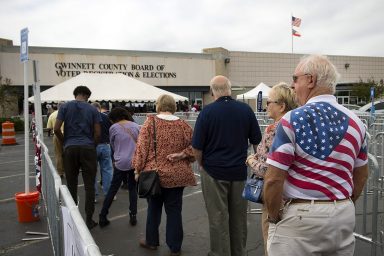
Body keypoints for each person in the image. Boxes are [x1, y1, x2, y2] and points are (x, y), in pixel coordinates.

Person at [264, 55, 369, 256]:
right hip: (343, 213)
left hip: (301, 216)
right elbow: (362, 174)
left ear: (310, 80)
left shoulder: (291, 120)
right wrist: (343, 203)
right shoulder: (357, 122)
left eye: (295, 79)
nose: (293, 86)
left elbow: (273, 179)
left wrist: (274, 214)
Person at [192, 75, 262, 256]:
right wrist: (258, 167)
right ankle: (239, 252)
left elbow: (197, 147)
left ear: (212, 90)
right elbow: (257, 142)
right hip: (239, 171)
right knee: (239, 219)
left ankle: (220, 253)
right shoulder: (245, 110)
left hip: (213, 172)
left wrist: (201, 164)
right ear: (229, 89)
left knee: (218, 218)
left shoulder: (206, 113)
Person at [132, 94, 196, 256]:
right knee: (174, 210)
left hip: (155, 174)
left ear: (158, 106)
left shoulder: (150, 123)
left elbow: (141, 149)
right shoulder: (184, 125)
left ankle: (151, 241)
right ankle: (175, 247)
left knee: (153, 208)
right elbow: (195, 148)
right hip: (178, 174)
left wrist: (137, 169)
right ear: (173, 107)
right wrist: (182, 154)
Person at [245, 82, 297, 256]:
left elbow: (268, 170)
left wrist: (250, 160)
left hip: (275, 194)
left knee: (271, 242)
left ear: (281, 106)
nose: (266, 105)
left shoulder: (275, 129)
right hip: (296, 196)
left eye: (269, 102)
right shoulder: (298, 125)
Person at [54, 86, 101, 230]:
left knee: (72, 184)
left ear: (75, 94)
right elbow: (98, 133)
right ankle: (89, 219)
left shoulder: (64, 107)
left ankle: (73, 218)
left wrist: (65, 142)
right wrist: (91, 145)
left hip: (70, 148)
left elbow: (56, 129)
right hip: (88, 148)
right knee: (89, 185)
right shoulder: (93, 109)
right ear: (86, 95)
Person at [99, 107, 140, 227]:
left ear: (114, 118)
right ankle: (133, 215)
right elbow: (140, 144)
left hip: (120, 162)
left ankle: (103, 215)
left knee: (113, 189)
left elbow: (112, 144)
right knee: (133, 189)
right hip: (134, 162)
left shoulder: (114, 128)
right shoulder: (136, 126)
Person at [91, 102, 113, 199]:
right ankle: (108, 193)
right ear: (99, 108)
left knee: (92, 171)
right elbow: (111, 131)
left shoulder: (89, 118)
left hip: (92, 147)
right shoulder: (106, 117)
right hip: (105, 145)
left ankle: (93, 195)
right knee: (107, 170)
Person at [46, 101, 65, 177]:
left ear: (57, 107)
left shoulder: (52, 115)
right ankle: (70, 170)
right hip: (68, 135)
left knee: (58, 154)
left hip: (56, 135)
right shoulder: (68, 114)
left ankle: (60, 172)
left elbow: (49, 127)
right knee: (69, 154)